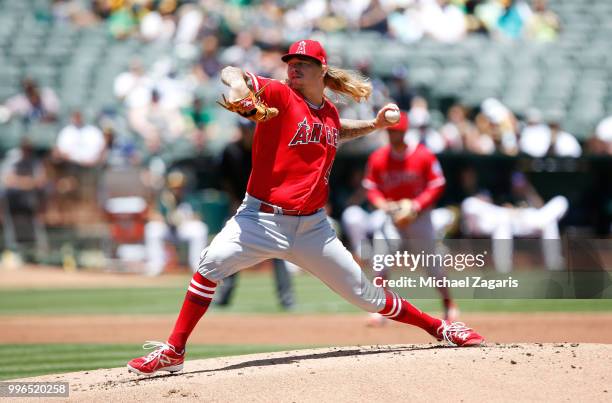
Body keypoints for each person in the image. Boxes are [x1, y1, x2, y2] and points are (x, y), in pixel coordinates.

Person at [127, 39, 484, 376]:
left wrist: (374, 126)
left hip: (314, 229)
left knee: (367, 295)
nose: (293, 69)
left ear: (322, 70)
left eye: (302, 64)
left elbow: (335, 130)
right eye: (290, 63)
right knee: (208, 267)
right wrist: (240, 93)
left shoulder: (327, 113)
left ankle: (441, 328)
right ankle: (174, 350)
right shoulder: (280, 95)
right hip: (260, 218)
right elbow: (232, 73)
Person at [342, 111, 458, 326]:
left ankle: (449, 306)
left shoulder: (423, 155)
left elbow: (437, 184)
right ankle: (380, 310)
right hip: (392, 216)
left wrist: (416, 205)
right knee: (381, 261)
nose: (394, 135)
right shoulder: (379, 157)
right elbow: (371, 187)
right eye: (391, 131)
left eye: (397, 131)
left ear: (405, 132)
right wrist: (382, 205)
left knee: (432, 264)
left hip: (420, 217)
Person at [216, 118, 295, 309]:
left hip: (267, 207)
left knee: (279, 251)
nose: (245, 132)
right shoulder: (230, 151)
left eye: (249, 128)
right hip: (240, 207)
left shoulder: (268, 149)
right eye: (242, 128)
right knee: (229, 250)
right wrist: (234, 201)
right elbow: (225, 180)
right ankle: (223, 297)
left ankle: (287, 299)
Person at [144, 170, 208, 276]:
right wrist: (164, 218)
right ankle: (155, 266)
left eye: (179, 187)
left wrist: (183, 218)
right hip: (167, 229)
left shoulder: (190, 197)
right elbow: (153, 214)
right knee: (152, 228)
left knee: (200, 229)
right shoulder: (164, 198)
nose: (177, 190)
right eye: (174, 187)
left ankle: (197, 267)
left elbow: (198, 216)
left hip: (183, 229)